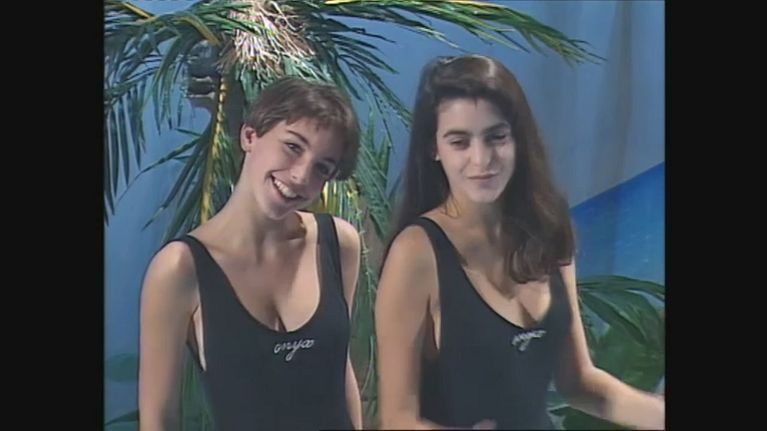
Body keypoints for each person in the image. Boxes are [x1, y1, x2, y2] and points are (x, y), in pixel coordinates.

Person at [375, 55, 665, 430]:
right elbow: (397, 419)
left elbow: (580, 383)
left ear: (518, 138)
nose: (481, 159)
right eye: (459, 142)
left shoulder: (548, 229)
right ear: (434, 148)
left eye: (496, 137)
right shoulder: (416, 252)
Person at [138, 77, 363, 431]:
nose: (301, 176)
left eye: (322, 167)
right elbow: (158, 420)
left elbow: (340, 371)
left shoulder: (338, 244)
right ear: (249, 136)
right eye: (293, 146)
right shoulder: (180, 269)